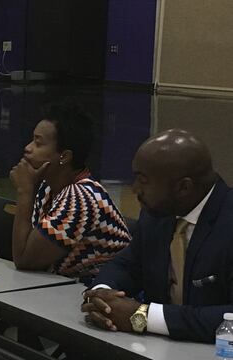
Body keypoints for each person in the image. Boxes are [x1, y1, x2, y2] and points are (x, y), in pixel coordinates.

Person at [83, 129, 233, 343]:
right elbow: (126, 266)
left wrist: (142, 317)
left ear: (184, 187)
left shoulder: (228, 223)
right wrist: (102, 296)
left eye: (143, 181)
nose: (135, 189)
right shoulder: (157, 214)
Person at [9, 103, 130, 282]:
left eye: (38, 142)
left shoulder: (82, 197)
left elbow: (24, 259)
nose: (28, 147)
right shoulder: (48, 187)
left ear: (64, 156)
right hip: (62, 289)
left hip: (100, 296)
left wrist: (24, 190)